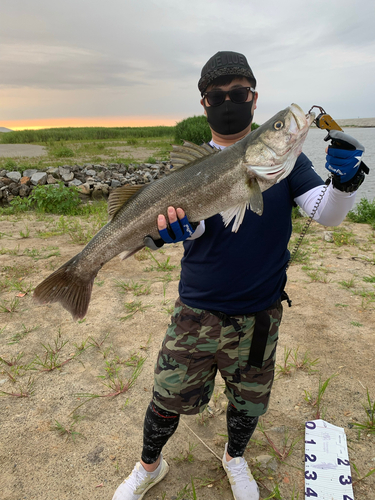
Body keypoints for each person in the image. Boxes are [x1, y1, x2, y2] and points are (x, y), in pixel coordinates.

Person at [112, 51, 367, 500]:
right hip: (197, 307)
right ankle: (149, 465)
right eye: (217, 95)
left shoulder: (286, 165)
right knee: (167, 397)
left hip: (259, 311)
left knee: (248, 401)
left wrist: (345, 183)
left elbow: (323, 214)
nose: (228, 101)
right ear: (204, 103)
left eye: (238, 93)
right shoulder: (187, 169)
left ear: (253, 97)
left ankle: (235, 457)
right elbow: (170, 233)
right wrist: (167, 232)